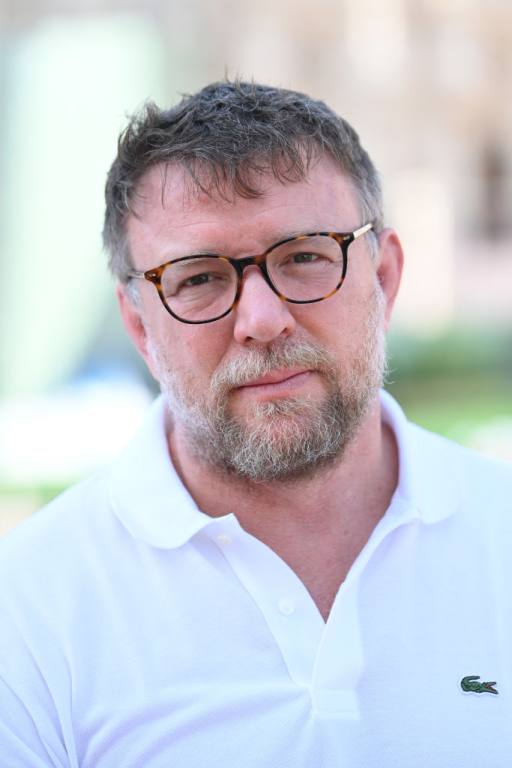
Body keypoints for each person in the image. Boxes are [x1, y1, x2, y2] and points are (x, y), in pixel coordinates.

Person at [0, 80, 511, 768]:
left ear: (384, 279)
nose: (262, 321)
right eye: (199, 278)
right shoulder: (27, 614)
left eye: (304, 256)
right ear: (140, 329)